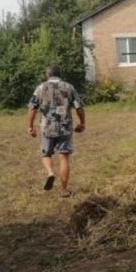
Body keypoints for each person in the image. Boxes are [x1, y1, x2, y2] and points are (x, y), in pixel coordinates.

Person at [27, 65, 86, 197]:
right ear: (60, 75)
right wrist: (82, 123)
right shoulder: (69, 87)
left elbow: (32, 108)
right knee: (64, 158)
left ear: (47, 75)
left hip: (47, 128)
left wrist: (30, 126)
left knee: (46, 154)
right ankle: (64, 190)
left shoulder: (40, 88)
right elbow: (79, 107)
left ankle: (50, 173)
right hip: (65, 127)